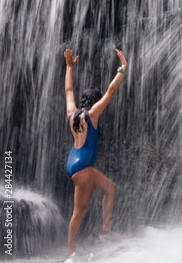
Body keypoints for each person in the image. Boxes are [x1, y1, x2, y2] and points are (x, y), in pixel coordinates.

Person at [64, 48, 127, 258]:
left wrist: (69, 67)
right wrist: (122, 69)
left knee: (109, 188)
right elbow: (111, 92)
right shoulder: (92, 115)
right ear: (94, 101)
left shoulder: (72, 114)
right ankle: (70, 255)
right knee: (78, 213)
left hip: (74, 162)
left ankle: (106, 233)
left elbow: (69, 91)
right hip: (84, 168)